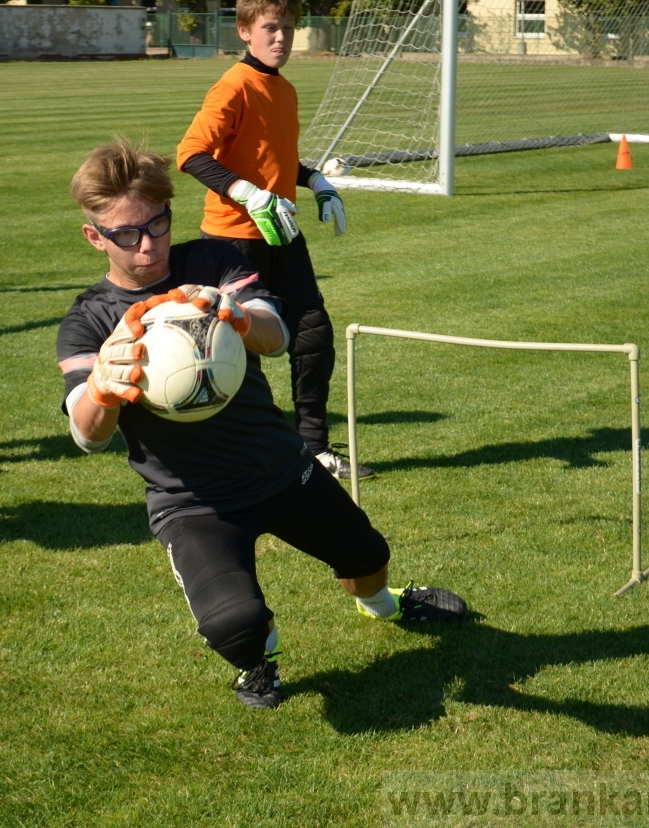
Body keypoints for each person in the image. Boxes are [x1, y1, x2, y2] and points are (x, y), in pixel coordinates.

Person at [57, 139, 467, 710]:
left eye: (157, 225)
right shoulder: (88, 321)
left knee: (368, 556)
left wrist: (238, 315)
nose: (148, 245)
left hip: (280, 469)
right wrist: (103, 383)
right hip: (193, 503)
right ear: (94, 237)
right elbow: (86, 435)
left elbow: (276, 337)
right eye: (127, 234)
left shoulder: (215, 262)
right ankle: (259, 659)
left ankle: (386, 606)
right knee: (235, 626)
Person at [176, 0, 372, 481]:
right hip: (232, 242)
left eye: (287, 28)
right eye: (270, 28)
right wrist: (246, 193)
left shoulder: (283, 88)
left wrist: (316, 182)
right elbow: (190, 153)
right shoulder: (234, 85)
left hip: (282, 234)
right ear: (245, 31)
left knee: (314, 334)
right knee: (238, 352)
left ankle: (315, 450)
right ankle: (244, 455)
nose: (280, 37)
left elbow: (276, 160)